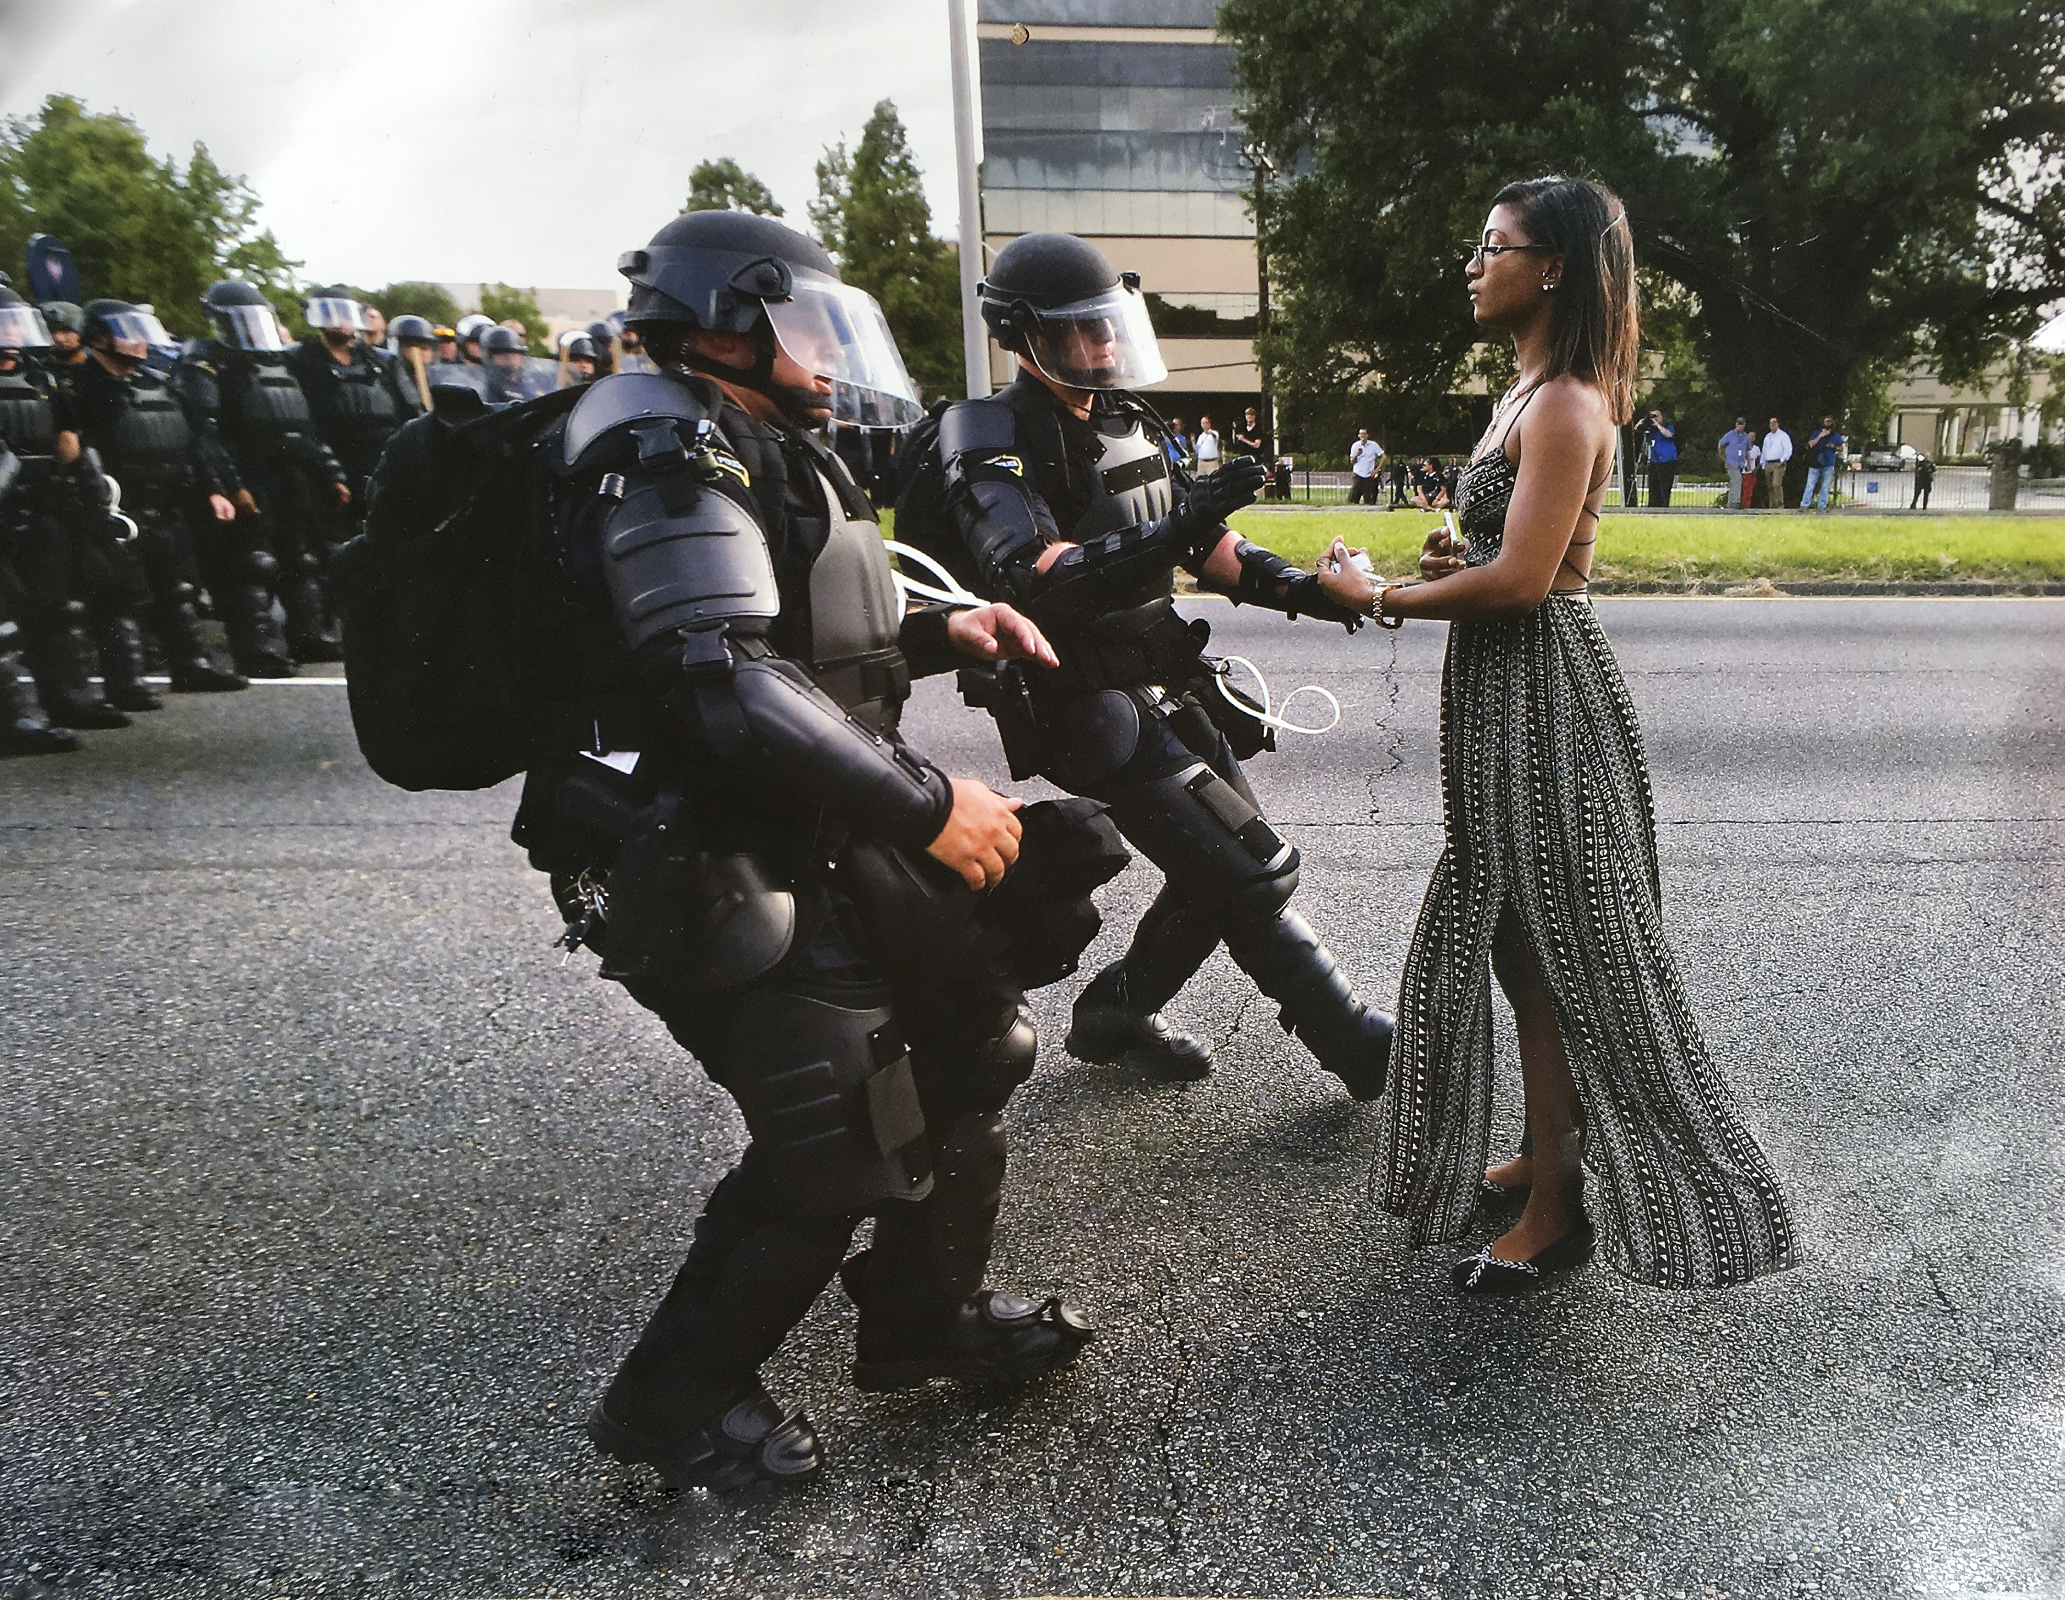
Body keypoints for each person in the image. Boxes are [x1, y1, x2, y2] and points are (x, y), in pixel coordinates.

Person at [511, 208, 1100, 1490]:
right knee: (835, 1136)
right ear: (730, 320)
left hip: (803, 821)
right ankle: (675, 1401)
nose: (829, 356)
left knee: (970, 1039)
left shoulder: (756, 438)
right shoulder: (661, 442)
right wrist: (932, 803)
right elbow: (721, 678)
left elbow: (804, 648)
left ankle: (918, 1319)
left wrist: (952, 635)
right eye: (806, 325)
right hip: (704, 847)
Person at [1313, 175, 1794, 1296]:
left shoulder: (1569, 400)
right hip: (1501, 694)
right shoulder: (1522, 394)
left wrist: (1377, 593)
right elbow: (1503, 557)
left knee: (1562, 955)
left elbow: (1529, 583)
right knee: (1516, 940)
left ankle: (1562, 1204)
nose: (1475, 264)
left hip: (1543, 696)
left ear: (1556, 267)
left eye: (1496, 245)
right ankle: (1546, 1147)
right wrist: (1449, 564)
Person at [929, 230, 1393, 1095]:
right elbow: (1029, 574)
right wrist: (1177, 529)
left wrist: (1308, 591)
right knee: (1249, 869)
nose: (1104, 344)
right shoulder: (987, 428)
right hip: (1079, 695)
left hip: (1164, 675)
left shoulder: (1124, 420)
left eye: (1110, 325)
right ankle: (1357, 1043)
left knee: (1219, 866)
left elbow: (1208, 543)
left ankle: (1115, 1011)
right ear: (1024, 335)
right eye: (1081, 330)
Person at [70, 300, 247, 694]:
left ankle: (192, 666)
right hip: (118, 508)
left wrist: (213, 490)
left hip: (167, 503)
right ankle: (126, 682)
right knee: (121, 597)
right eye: (126, 332)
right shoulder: (83, 388)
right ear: (98, 338)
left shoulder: (158, 383)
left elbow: (192, 442)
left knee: (177, 590)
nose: (138, 342)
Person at [178, 280, 350, 670]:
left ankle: (309, 636)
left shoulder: (280, 363)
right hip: (247, 470)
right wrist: (232, 485)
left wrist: (331, 472)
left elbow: (305, 427)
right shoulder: (206, 363)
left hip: (291, 472)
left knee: (303, 558)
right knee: (253, 564)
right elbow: (206, 432)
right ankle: (258, 649)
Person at [0, 286, 136, 741]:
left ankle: (70, 700)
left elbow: (67, 439)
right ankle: (15, 720)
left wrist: (87, 495)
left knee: (57, 610)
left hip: (42, 507)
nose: (12, 335)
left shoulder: (40, 375)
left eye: (15, 323)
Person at [284, 288, 419, 523]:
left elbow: (413, 413)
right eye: (331, 314)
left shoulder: (383, 361)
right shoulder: (298, 360)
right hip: (330, 466)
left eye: (345, 313)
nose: (340, 321)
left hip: (384, 463)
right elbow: (299, 420)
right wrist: (329, 469)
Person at [1801, 415, 1843, 510]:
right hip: (1815, 462)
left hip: (1829, 463)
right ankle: (1804, 504)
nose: (1828, 423)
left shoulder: (1836, 435)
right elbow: (1810, 444)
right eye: (1826, 421)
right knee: (1810, 484)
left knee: (1825, 485)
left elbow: (1841, 448)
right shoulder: (1817, 432)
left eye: (1829, 422)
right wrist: (1820, 436)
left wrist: (1833, 446)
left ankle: (1822, 505)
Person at [1641, 407, 1678, 506]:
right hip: (1655, 460)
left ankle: (1664, 505)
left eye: (1656, 416)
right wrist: (1645, 420)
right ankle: (1653, 505)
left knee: (1665, 486)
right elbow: (1637, 428)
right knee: (1653, 485)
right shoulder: (1650, 429)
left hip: (1667, 460)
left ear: (1661, 416)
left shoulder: (1667, 426)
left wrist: (1657, 425)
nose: (1655, 418)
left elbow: (1669, 435)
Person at [1718, 417, 1754, 508]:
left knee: (1735, 481)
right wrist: (1722, 456)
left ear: (1744, 425)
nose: (1740, 426)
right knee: (1737, 479)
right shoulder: (1730, 434)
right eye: (1738, 424)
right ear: (1736, 424)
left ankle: (1731, 503)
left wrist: (1748, 463)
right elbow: (1721, 444)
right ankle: (1735, 502)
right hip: (1731, 462)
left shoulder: (1746, 437)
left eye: (1741, 424)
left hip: (1740, 464)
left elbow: (1747, 451)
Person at [1759, 416, 1792, 508]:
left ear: (1778, 424)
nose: (1772, 425)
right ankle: (1772, 504)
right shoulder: (1767, 437)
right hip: (1769, 463)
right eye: (1771, 423)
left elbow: (1788, 449)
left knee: (1776, 483)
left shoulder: (1783, 436)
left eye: (1774, 423)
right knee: (1769, 485)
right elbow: (1764, 450)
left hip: (1778, 462)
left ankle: (1779, 503)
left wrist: (1783, 459)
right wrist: (1763, 463)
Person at [1347, 427, 1384, 504]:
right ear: (1358, 436)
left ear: (1367, 435)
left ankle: (1367, 510)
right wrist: (1356, 455)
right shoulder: (1355, 445)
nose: (1363, 436)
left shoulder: (1373, 445)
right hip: (1358, 473)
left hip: (1368, 475)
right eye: (1361, 434)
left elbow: (1384, 457)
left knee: (1368, 498)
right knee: (1352, 497)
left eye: (1364, 434)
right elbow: (1352, 461)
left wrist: (1377, 469)